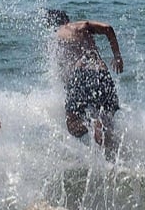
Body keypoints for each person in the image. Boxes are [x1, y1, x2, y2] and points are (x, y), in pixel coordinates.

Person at [43, 9, 124, 157]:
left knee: (72, 125)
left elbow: (64, 73)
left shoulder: (56, 37)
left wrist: (71, 90)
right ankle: (114, 163)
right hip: (102, 74)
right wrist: (117, 56)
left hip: (80, 74)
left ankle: (91, 125)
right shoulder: (80, 26)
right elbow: (108, 28)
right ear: (67, 19)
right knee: (108, 123)